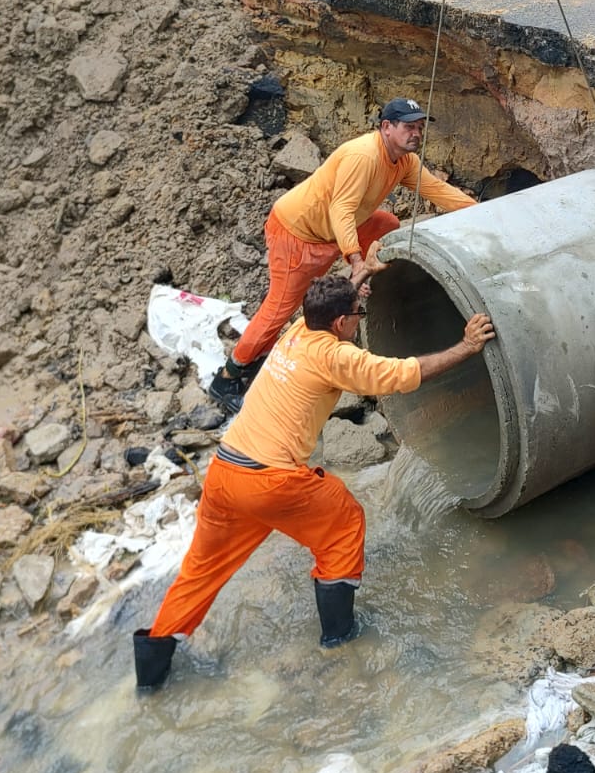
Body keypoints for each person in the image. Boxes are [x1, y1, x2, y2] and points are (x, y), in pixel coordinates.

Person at [133, 275, 497, 690]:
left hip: (225, 470)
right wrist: (467, 346)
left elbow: (330, 305)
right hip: (270, 479)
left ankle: (151, 669)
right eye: (357, 316)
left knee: (201, 570)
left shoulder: (298, 329)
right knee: (343, 525)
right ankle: (339, 639)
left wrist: (359, 278)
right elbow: (403, 373)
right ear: (341, 322)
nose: (359, 321)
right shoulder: (336, 358)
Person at [210, 97, 476, 413]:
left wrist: (482, 212)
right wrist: (355, 259)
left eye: (419, 127)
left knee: (387, 223)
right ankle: (229, 375)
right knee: (280, 308)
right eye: (408, 127)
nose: (416, 133)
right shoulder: (363, 156)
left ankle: (367, 286)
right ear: (386, 127)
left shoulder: (404, 161)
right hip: (298, 233)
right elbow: (342, 209)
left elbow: (439, 191)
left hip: (332, 231)